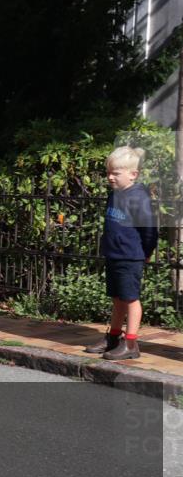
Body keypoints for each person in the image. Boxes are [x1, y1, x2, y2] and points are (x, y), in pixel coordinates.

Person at [85, 146, 157, 360]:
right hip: (114, 255)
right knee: (117, 298)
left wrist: (145, 252)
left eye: (116, 173)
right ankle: (113, 337)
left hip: (130, 256)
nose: (110, 177)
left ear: (133, 174)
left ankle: (131, 343)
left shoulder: (139, 197)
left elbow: (150, 231)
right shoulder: (114, 195)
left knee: (131, 299)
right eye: (109, 172)